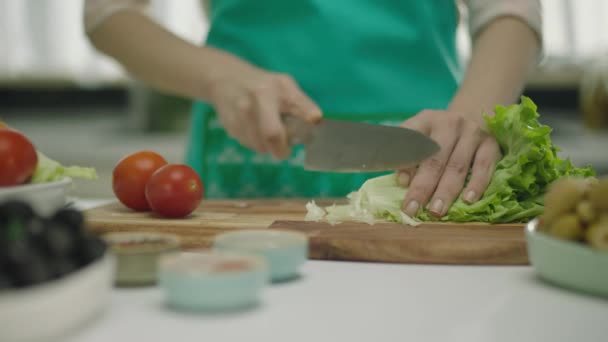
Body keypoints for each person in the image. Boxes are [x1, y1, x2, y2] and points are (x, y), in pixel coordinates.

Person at [84, 0, 542, 218]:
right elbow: (106, 13)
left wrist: (477, 111)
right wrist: (218, 77)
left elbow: (511, 9)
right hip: (248, 149)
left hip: (427, 158)